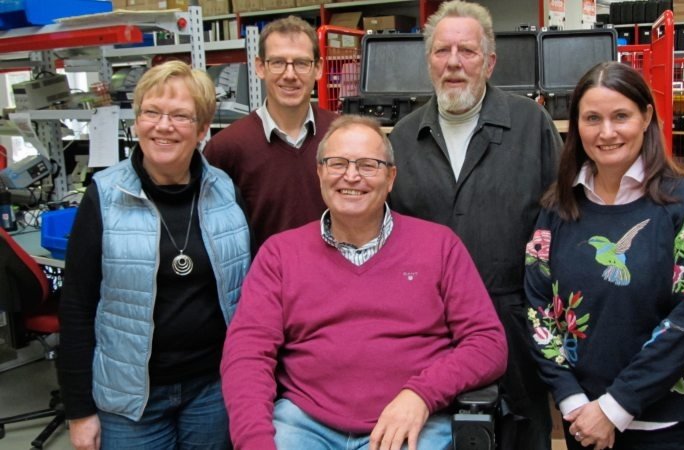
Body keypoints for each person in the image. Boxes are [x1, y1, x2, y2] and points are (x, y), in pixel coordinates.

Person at [221, 115, 507, 450]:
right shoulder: (279, 255)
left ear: (390, 178)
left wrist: (421, 394)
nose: (351, 176)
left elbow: (488, 343)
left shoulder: (439, 246)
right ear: (320, 173)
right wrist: (255, 443)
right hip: (305, 423)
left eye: (368, 165)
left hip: (415, 422)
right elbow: (247, 354)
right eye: (338, 163)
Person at [387, 2, 562, 448]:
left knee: (523, 433)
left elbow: (563, 223)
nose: (453, 63)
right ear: (428, 62)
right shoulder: (402, 140)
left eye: (466, 51)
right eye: (442, 51)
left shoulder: (531, 126)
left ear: (489, 61)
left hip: (516, 327)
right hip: (427, 331)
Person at [524, 61, 684, 450]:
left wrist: (615, 408)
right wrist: (571, 398)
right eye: (592, 118)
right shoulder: (557, 207)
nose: (607, 132)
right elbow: (537, 306)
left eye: (621, 116)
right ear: (576, 125)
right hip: (581, 415)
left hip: (663, 419)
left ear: (646, 116)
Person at [58, 60, 251, 450]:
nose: (164, 126)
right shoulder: (104, 195)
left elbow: (246, 292)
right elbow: (77, 307)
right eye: (152, 112)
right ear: (137, 120)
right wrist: (79, 410)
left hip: (212, 390)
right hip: (130, 401)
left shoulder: (225, 191)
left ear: (201, 129)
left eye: (180, 116)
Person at [203, 16, 337, 252]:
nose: (289, 74)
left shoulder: (341, 135)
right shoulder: (226, 147)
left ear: (318, 68)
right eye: (277, 62)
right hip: (262, 284)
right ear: (260, 67)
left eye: (301, 63)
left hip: (335, 282)